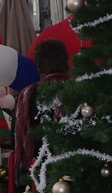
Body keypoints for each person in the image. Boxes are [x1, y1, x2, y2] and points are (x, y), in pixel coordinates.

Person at [12, 37, 70, 179]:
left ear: (38, 65)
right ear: (66, 60)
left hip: (38, 171)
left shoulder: (27, 94)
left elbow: (17, 134)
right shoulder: (79, 90)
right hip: (74, 167)